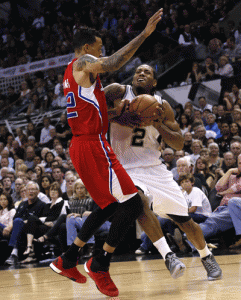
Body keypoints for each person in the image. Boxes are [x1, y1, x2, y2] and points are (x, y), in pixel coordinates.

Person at [50, 9, 163, 298]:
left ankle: (68, 258)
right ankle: (99, 263)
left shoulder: (75, 72)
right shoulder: (83, 62)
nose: (102, 53)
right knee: (135, 204)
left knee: (111, 206)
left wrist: (117, 111)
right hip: (93, 144)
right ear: (87, 49)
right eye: (99, 48)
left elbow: (92, 108)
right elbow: (114, 62)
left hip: (86, 144)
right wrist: (144, 35)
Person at [105, 63, 222, 282]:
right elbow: (91, 110)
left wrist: (158, 124)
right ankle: (168, 255)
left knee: (186, 222)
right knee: (137, 202)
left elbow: (177, 143)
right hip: (125, 168)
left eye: (146, 72)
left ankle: (206, 256)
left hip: (155, 169)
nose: (141, 73)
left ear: (154, 82)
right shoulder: (117, 92)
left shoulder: (162, 106)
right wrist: (119, 116)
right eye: (138, 71)